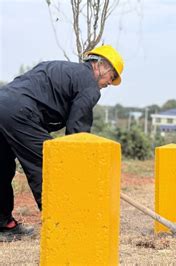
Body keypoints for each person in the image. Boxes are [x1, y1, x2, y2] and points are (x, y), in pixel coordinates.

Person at [0, 45, 124, 242]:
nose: (110, 82)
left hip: (3, 104)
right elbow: (77, 132)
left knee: (2, 167)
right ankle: (63, 225)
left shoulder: (64, 69)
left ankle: (4, 224)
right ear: (100, 65)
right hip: (20, 113)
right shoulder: (89, 84)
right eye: (112, 75)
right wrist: (79, 165)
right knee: (51, 165)